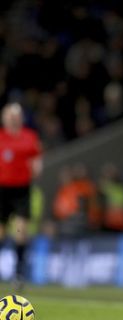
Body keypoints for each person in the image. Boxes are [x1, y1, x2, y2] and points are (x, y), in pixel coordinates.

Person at [0, 102, 43, 288]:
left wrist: (35, 169)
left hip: (21, 191)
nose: (13, 118)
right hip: (1, 190)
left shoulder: (29, 137)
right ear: (4, 118)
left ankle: (18, 273)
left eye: (16, 115)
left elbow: (36, 159)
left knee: (21, 231)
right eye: (10, 115)